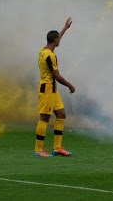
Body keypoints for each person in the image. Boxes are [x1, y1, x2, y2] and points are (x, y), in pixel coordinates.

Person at [34, 17, 75, 157]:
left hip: (52, 89)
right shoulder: (51, 56)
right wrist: (70, 85)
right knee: (44, 118)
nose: (60, 41)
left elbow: (56, 39)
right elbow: (57, 76)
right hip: (47, 89)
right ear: (55, 41)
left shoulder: (43, 50)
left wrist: (64, 29)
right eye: (59, 39)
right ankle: (38, 150)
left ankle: (57, 148)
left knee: (61, 114)